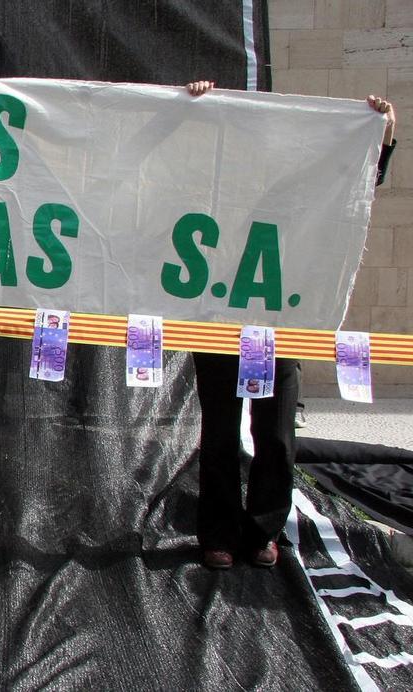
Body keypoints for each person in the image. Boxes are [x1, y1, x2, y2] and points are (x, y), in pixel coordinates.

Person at [186, 81, 397, 570]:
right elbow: (171, 170)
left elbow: (352, 186)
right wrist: (195, 109)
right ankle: (217, 533)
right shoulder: (208, 187)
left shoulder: (299, 194)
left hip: (278, 331)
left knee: (276, 434)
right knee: (218, 433)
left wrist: (380, 134)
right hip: (217, 327)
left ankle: (263, 530)